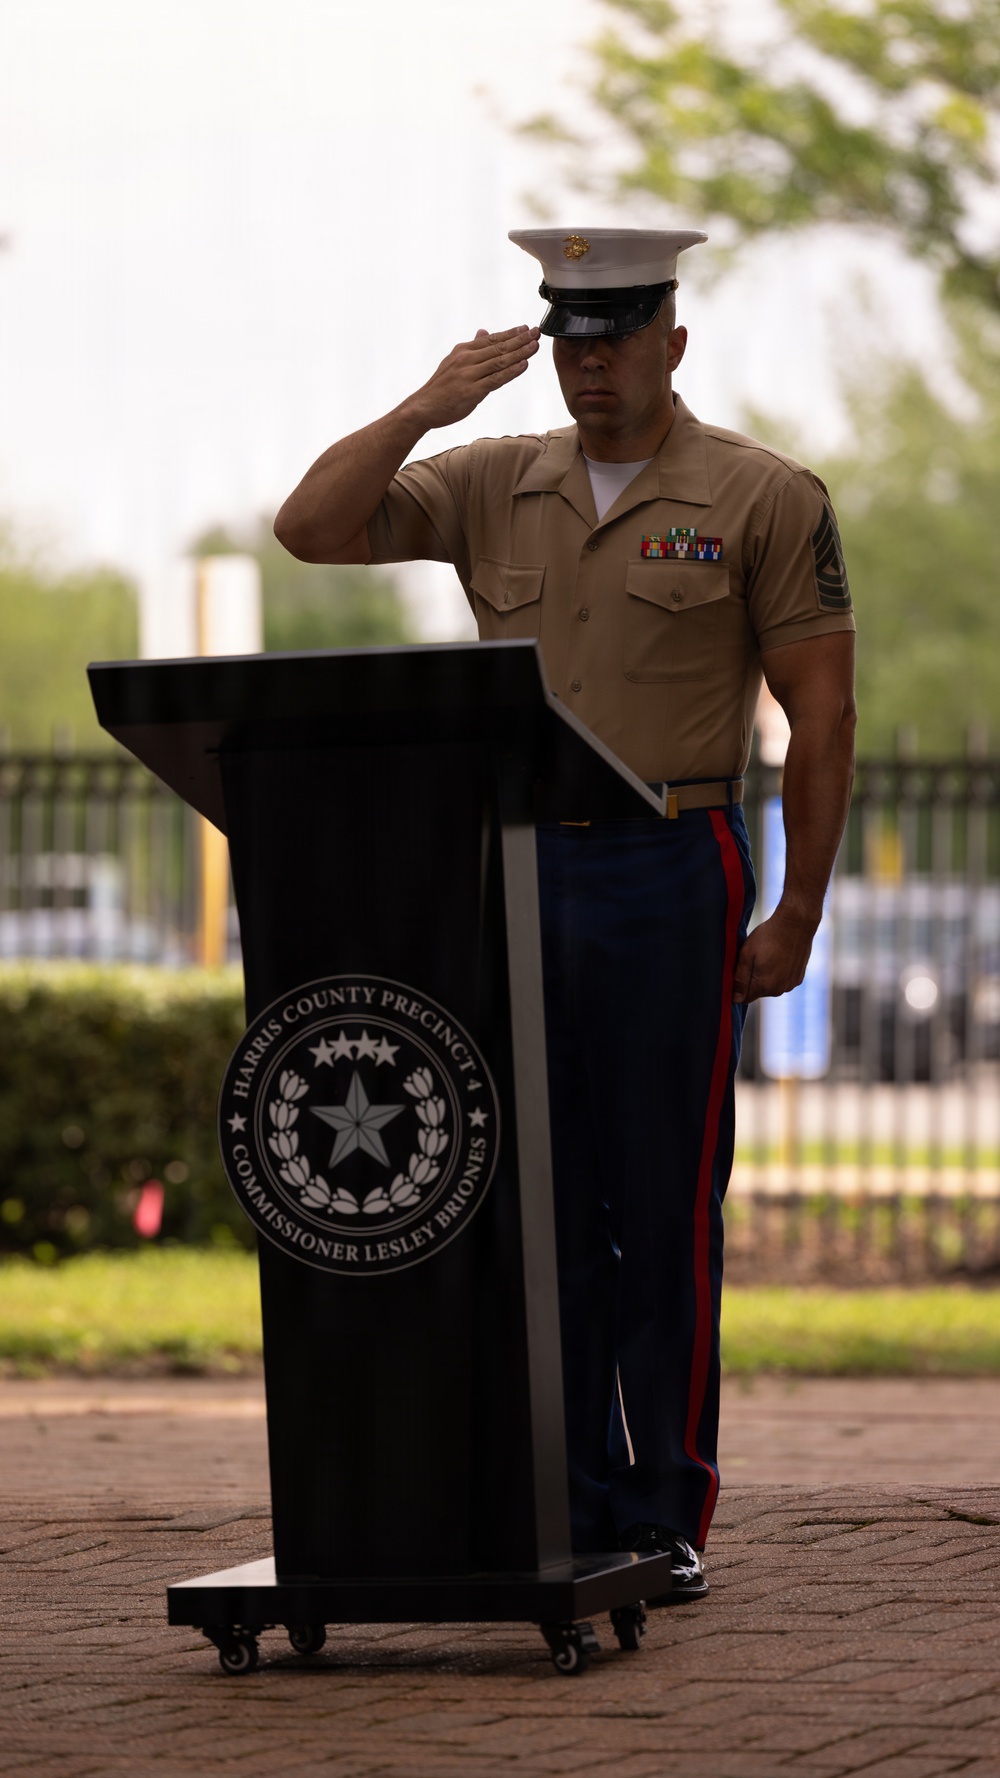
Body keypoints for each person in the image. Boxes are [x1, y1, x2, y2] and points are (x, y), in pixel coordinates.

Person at [274, 227, 857, 1603]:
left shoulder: (761, 494)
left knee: (662, 1202)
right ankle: (574, 1502)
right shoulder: (494, 479)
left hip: (670, 865)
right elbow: (311, 529)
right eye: (571, 341)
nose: (592, 365)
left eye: (619, 337)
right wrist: (428, 406)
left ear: (673, 341)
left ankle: (667, 1507)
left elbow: (824, 713)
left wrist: (798, 912)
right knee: (538, 1207)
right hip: (518, 866)